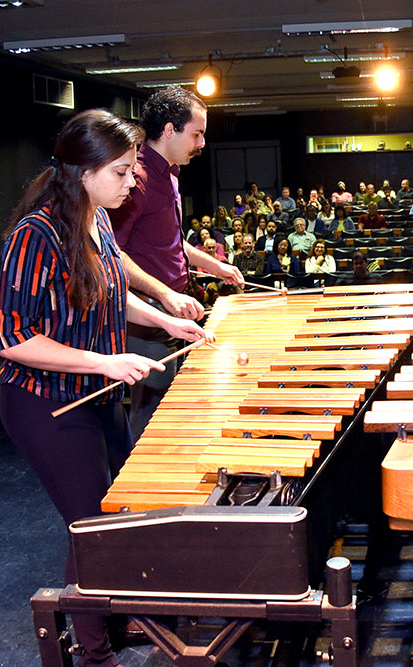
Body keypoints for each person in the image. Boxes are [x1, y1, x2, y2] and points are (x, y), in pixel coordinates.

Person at [0, 109, 210, 667]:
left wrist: (165, 320)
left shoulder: (96, 220)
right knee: (90, 526)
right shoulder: (36, 234)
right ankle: (92, 651)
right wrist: (105, 361)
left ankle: (123, 616)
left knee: (123, 511)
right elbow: (13, 339)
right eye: (120, 171)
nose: (132, 181)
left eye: (133, 169)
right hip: (46, 405)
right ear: (83, 171)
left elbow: (113, 288)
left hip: (93, 396)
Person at [108, 86, 241, 441]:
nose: (201, 143)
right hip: (146, 313)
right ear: (170, 130)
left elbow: (170, 241)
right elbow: (112, 254)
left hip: (172, 305)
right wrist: (165, 294)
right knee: (151, 411)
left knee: (174, 407)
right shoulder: (137, 180)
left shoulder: (169, 174)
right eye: (196, 134)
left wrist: (214, 265)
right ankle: (140, 491)